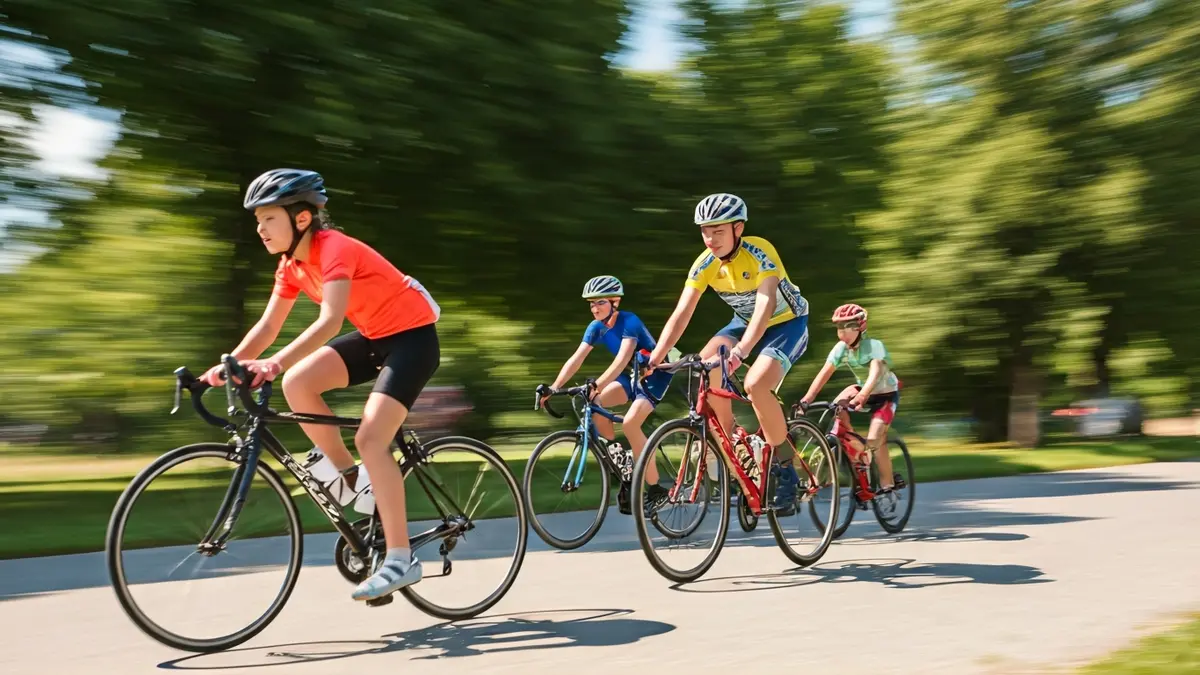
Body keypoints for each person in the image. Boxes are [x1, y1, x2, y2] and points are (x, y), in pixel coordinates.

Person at [198, 168, 440, 601]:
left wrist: (270, 364)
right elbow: (269, 324)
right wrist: (225, 367)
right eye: (257, 221)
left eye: (269, 219)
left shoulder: (334, 249)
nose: (260, 228)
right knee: (299, 382)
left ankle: (402, 559)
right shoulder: (290, 266)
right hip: (373, 337)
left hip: (412, 340)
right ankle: (353, 480)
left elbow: (329, 320)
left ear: (302, 219)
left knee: (371, 437)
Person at [645, 193, 810, 514]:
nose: (710, 239)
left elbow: (764, 306)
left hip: (786, 324)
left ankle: (786, 470)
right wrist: (656, 356)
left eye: (718, 231)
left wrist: (742, 352)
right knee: (703, 369)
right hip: (743, 323)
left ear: (738, 228)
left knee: (756, 385)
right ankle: (737, 449)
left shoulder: (760, 251)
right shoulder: (705, 263)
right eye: (705, 231)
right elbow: (682, 313)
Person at [542, 275, 674, 514]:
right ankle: (625, 470)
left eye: (600, 302)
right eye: (591, 304)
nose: (594, 308)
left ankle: (656, 489)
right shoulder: (596, 327)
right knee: (595, 401)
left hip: (654, 375)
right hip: (630, 377)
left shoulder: (630, 321)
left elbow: (621, 359)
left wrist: (598, 383)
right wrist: (553, 387)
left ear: (615, 302)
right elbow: (576, 359)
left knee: (632, 424)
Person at [797, 303, 899, 495]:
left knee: (876, 437)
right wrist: (806, 400)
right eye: (839, 327)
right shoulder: (840, 349)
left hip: (885, 395)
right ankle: (853, 451)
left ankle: (888, 484)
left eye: (848, 325)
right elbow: (823, 374)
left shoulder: (873, 346)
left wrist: (862, 395)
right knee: (836, 407)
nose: (842, 331)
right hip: (861, 390)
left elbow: (875, 372)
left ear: (860, 326)